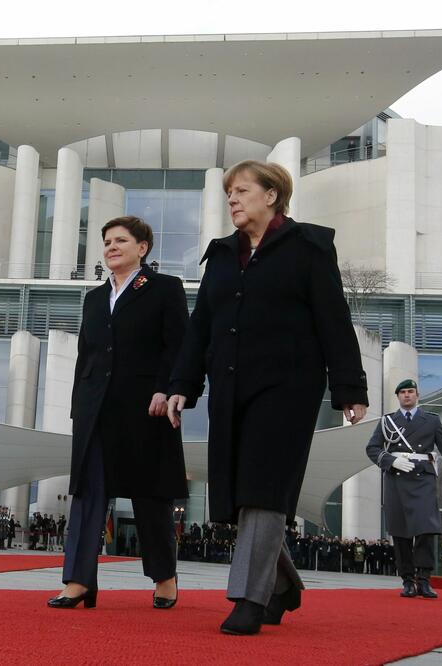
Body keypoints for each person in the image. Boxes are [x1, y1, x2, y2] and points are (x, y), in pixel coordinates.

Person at [167, 160, 369, 634]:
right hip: (230, 385)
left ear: (272, 195)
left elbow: (333, 319)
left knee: (264, 488)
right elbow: (201, 327)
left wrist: (349, 387)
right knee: (238, 494)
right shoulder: (220, 255)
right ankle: (284, 584)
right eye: (228, 193)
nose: (232, 200)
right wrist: (182, 383)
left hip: (288, 389)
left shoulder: (309, 247)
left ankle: (248, 599)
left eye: (241, 191)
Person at [49, 215, 189, 611]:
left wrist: (168, 388)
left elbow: (177, 346)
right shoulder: (95, 297)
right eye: (107, 241)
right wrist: (79, 405)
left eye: (120, 240)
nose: (111, 247)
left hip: (148, 405)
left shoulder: (164, 289)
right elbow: (86, 356)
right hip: (97, 408)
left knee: (151, 494)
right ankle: (78, 581)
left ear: (142, 248)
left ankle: (165, 577)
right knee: (88, 494)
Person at [366, 379, 442, 598]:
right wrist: (390, 461)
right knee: (401, 533)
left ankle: (424, 580)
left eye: (410, 391)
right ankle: (407, 580)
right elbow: (372, 448)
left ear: (417, 395)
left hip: (423, 479)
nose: (407, 395)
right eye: (403, 392)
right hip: (396, 479)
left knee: (425, 530)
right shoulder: (388, 421)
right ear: (398, 396)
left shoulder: (431, 421)